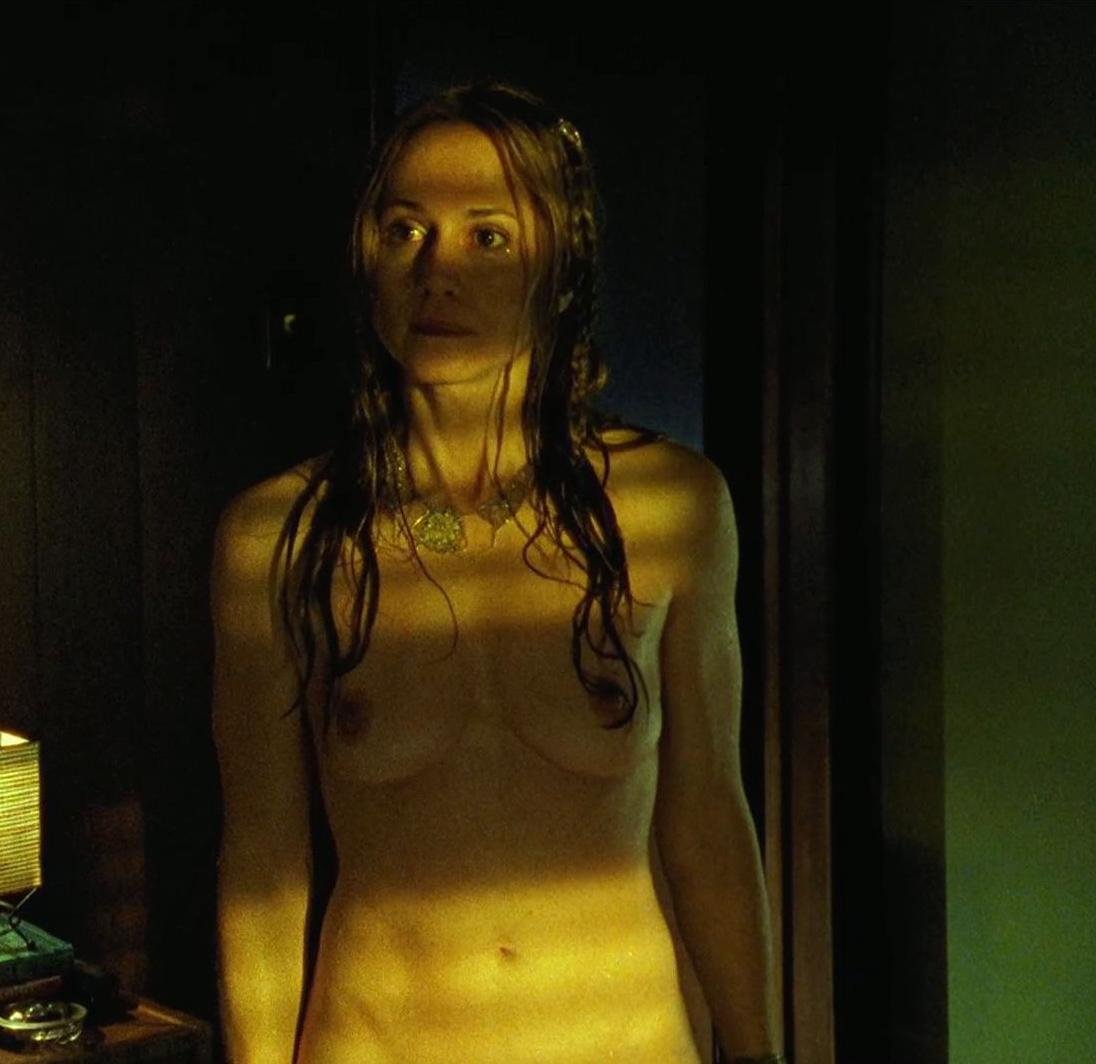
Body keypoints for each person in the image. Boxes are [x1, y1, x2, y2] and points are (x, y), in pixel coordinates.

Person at [211, 83, 785, 1064]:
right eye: (406, 231)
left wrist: (760, 1050)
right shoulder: (282, 538)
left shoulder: (669, 507)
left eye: (487, 236)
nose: (436, 271)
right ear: (367, 257)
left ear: (558, 265)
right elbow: (263, 865)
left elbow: (707, 820)